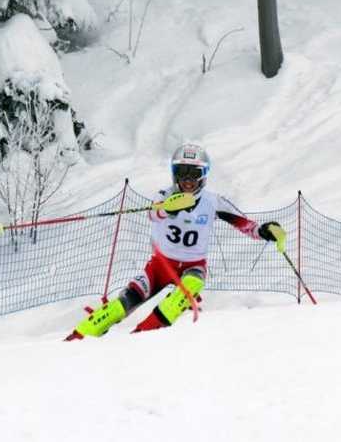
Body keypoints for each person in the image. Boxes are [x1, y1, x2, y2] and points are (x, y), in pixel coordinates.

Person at [66, 142, 286, 340]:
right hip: (160, 266)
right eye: (182, 173)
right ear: (174, 174)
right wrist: (169, 209)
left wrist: (265, 231)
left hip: (193, 267)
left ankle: (141, 337)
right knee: (123, 303)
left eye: (194, 173)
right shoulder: (163, 195)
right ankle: (78, 337)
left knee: (188, 289)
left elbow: (247, 226)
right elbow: (153, 214)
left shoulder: (213, 202)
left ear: (204, 174)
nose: (188, 180)